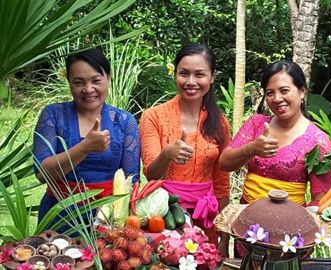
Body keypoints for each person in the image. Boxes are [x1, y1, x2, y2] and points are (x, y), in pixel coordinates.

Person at [33, 48, 141, 233]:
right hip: (59, 214)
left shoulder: (124, 122)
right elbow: (42, 173)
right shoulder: (53, 115)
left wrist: (114, 216)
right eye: (78, 82)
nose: (88, 89)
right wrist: (85, 148)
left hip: (106, 217)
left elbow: (131, 180)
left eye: (96, 80)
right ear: (69, 83)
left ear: (108, 78)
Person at [139, 44, 230, 256]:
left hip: (207, 216)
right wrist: (167, 154)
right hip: (165, 215)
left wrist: (224, 239)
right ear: (175, 74)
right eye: (184, 73)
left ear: (212, 77)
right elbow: (151, 174)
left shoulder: (220, 123)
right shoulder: (153, 117)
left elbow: (222, 182)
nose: (191, 82)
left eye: (199, 74)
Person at [219, 60, 331, 206]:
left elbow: (321, 201)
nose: (277, 99)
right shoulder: (257, 123)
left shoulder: (319, 142)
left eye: (284, 90)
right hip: (246, 220)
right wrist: (251, 149)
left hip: (290, 223)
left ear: (302, 92)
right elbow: (224, 163)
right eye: (270, 93)